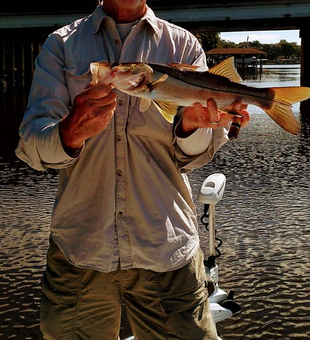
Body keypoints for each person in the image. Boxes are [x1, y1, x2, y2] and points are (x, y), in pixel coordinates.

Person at [16, 1, 250, 339]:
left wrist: (192, 128)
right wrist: (69, 132)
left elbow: (194, 156)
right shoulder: (61, 45)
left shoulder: (182, 44)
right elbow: (31, 147)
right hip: (81, 247)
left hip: (167, 247)